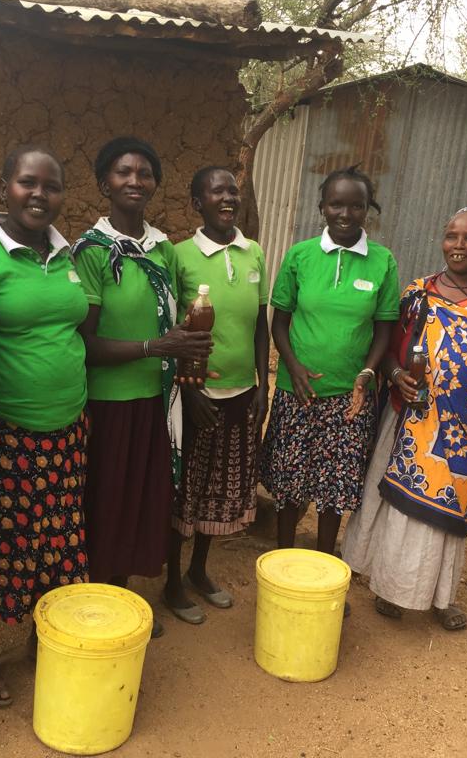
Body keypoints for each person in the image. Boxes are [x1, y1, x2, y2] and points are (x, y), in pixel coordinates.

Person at [343, 207, 467, 631]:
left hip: (464, 432)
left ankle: (439, 597)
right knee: (394, 506)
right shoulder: (418, 292)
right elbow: (386, 345)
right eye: (451, 236)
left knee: (446, 516)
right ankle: (389, 586)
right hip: (407, 417)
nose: (458, 246)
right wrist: (394, 375)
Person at [0, 145, 89, 706]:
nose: (40, 195)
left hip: (68, 427)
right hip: (4, 428)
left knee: (57, 538)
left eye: (52, 186)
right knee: (0, 538)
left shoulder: (69, 255)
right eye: (27, 183)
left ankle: (41, 633)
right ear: (3, 186)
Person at [73, 136, 211, 637]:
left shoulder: (162, 248)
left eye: (144, 173)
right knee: (105, 500)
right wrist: (155, 348)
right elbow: (85, 342)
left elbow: (179, 322)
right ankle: (96, 602)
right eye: (123, 172)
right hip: (107, 403)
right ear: (103, 182)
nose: (135, 181)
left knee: (138, 500)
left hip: (155, 399)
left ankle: (123, 595)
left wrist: (188, 357)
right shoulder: (90, 252)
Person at [261, 166, 399, 578]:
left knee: (334, 491)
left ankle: (324, 570)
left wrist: (368, 373)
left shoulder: (382, 262)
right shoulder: (300, 255)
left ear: (366, 210)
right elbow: (279, 321)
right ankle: (281, 566)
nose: (345, 213)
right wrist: (294, 367)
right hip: (296, 389)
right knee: (289, 484)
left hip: (351, 398)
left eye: (356, 205)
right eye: (336, 203)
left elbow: (384, 327)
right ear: (322, 206)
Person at [162, 167, 270, 624]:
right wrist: (187, 391)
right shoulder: (180, 255)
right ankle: (170, 583)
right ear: (196, 202)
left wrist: (262, 382)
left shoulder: (254, 253)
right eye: (216, 191)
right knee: (185, 489)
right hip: (196, 394)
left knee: (219, 490)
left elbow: (260, 323)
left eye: (233, 190)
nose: (228, 198)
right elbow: (170, 331)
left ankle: (199, 571)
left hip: (242, 393)